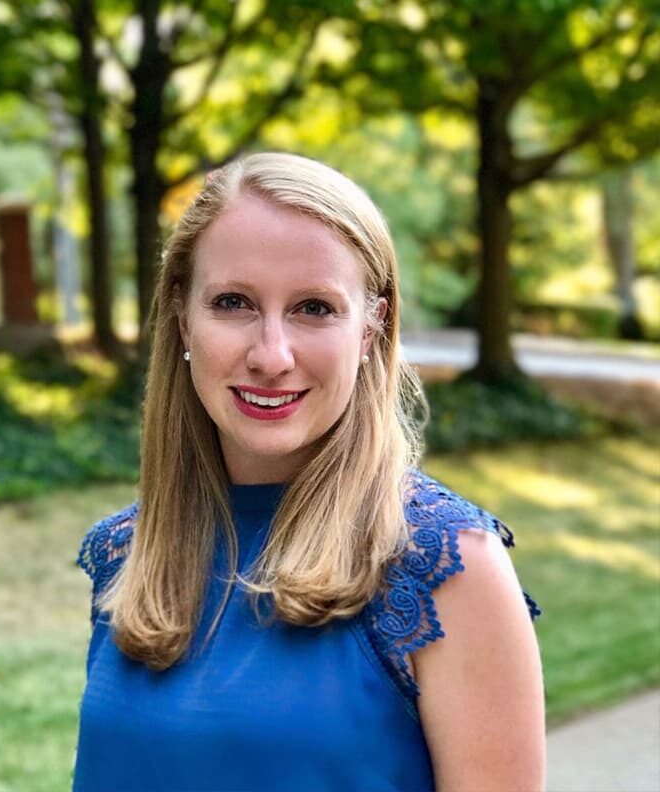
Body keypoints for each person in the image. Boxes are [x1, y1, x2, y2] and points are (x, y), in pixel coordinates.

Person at [73, 152, 545, 792]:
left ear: (372, 328)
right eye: (234, 302)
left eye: (314, 308)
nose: (271, 354)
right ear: (183, 315)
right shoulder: (123, 554)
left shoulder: (449, 566)